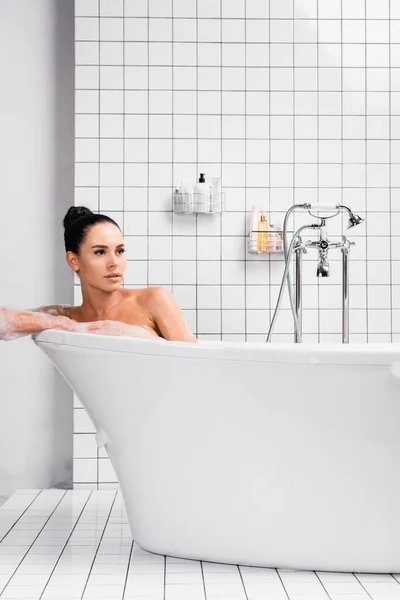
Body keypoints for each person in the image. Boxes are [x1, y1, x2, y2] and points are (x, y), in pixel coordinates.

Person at [0, 206, 197, 343]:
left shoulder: (152, 300)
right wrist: (65, 325)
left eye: (119, 251)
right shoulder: (68, 317)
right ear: (73, 260)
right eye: (100, 252)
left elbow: (194, 362)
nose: (114, 263)